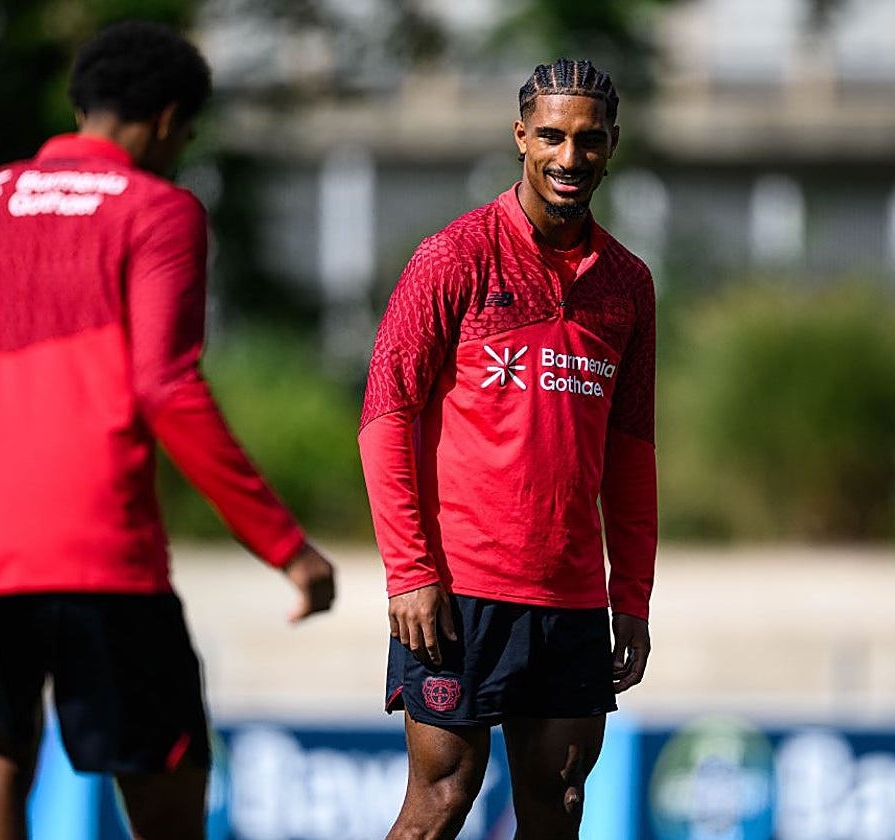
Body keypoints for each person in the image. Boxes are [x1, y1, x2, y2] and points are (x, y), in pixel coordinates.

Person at [0, 21, 335, 840]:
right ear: (166, 121)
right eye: (185, 133)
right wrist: (285, 545)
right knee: (168, 779)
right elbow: (168, 387)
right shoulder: (158, 211)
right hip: (97, 553)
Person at [359, 59, 657, 839]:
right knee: (441, 803)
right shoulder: (453, 257)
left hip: (569, 599)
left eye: (588, 140)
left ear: (612, 145)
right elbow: (384, 417)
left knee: (557, 810)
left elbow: (630, 452)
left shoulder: (627, 283)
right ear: (521, 137)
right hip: (458, 594)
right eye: (552, 136)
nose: (570, 157)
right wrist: (411, 572)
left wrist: (631, 595)